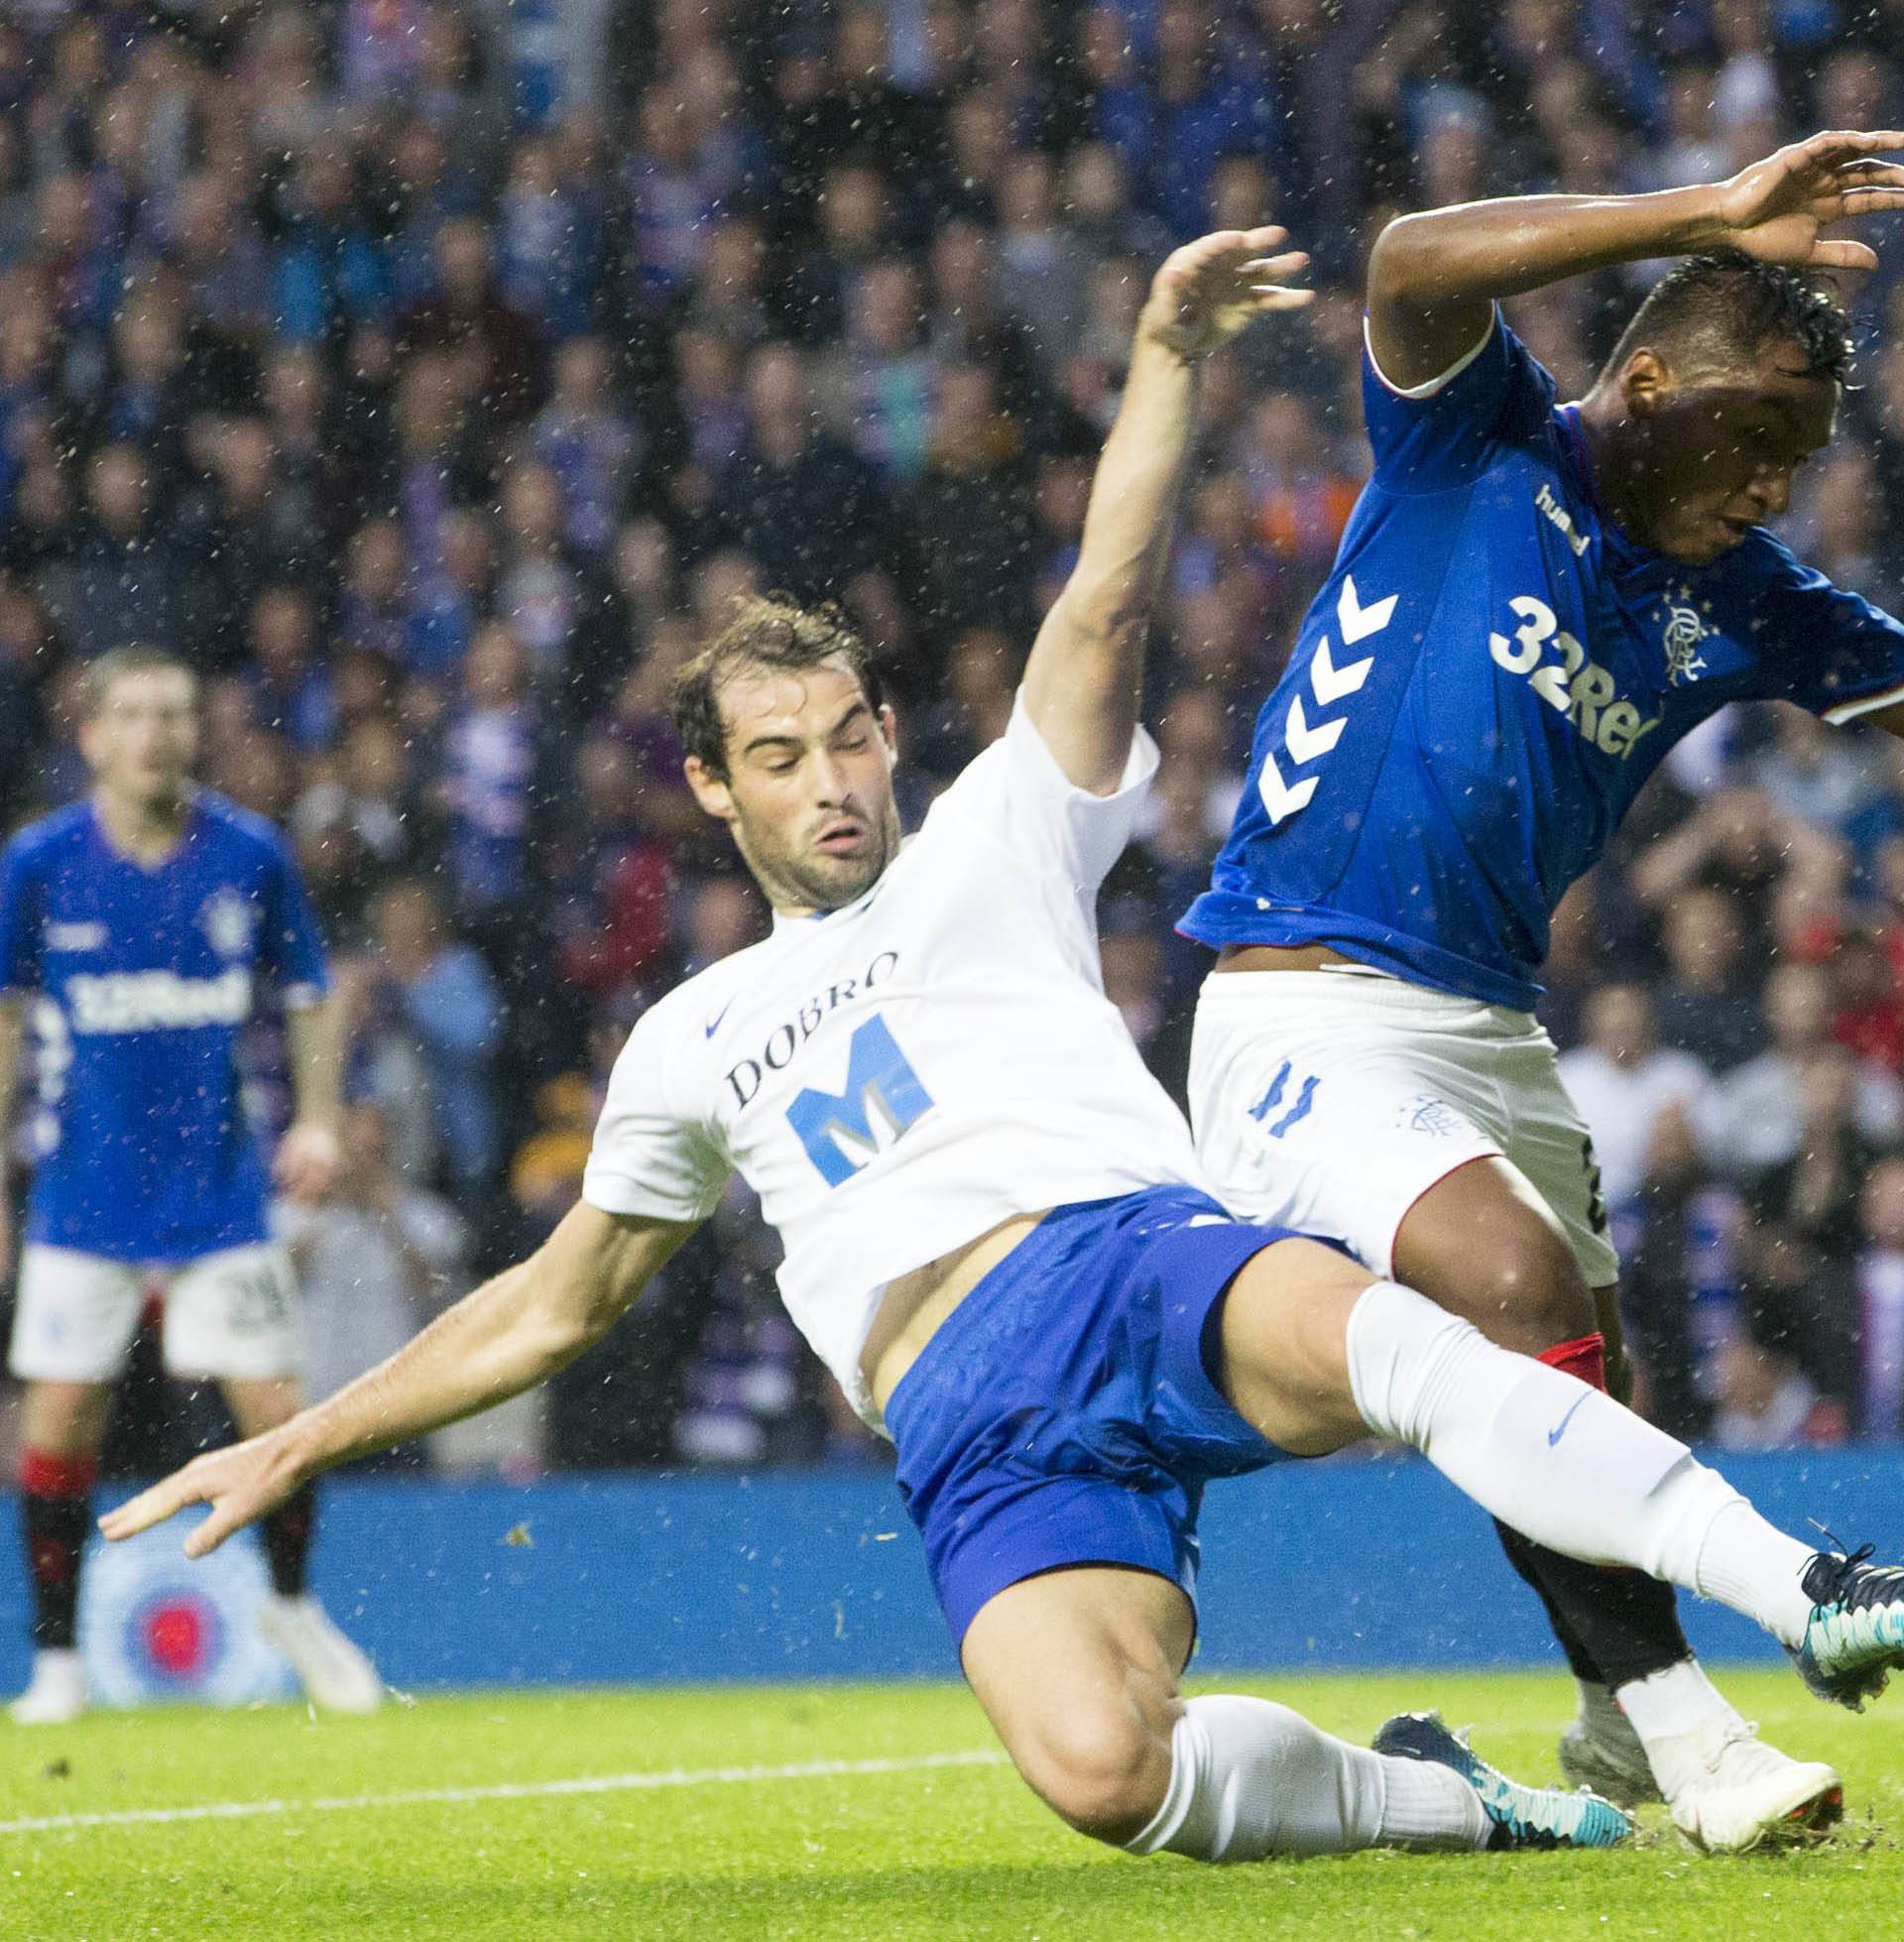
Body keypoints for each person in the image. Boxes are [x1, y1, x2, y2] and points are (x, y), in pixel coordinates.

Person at [105, 232, 1904, 1869]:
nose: (828, 780)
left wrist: (1167, 357)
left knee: (1430, 1340)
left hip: (1129, 1257)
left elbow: (1106, 600)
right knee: (1108, 1769)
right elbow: (556, 1304)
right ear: (710, 789)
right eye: (780, 756)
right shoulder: (687, 1035)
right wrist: (303, 1441)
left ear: (888, 736)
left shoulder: (995, 833)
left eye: (845, 737)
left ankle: (1805, 1583)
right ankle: (1491, 1803)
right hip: (971, 1423)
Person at [1179, 127, 1904, 1851]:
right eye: (1753, 440)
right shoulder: (1475, 435)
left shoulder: (1741, 596)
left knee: (1595, 1369)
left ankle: (1602, 1715)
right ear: (1645, 381)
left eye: (1802, 458)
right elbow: (1412, 255)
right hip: (1303, 999)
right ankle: (1700, 1738)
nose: (1776, 486)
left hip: (1485, 1024)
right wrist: (1713, 207)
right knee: (1510, 1293)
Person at [0, 646, 384, 1723]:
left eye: (175, 712)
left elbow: (314, 991)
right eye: (132, 714)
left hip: (218, 1195)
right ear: (92, 736)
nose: (156, 732)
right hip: (83, 1194)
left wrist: (313, 1116)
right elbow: (5, 1016)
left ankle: (295, 1606)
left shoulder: (248, 854)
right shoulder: (40, 861)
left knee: (279, 1414)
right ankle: (58, 1660)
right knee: (60, 1422)